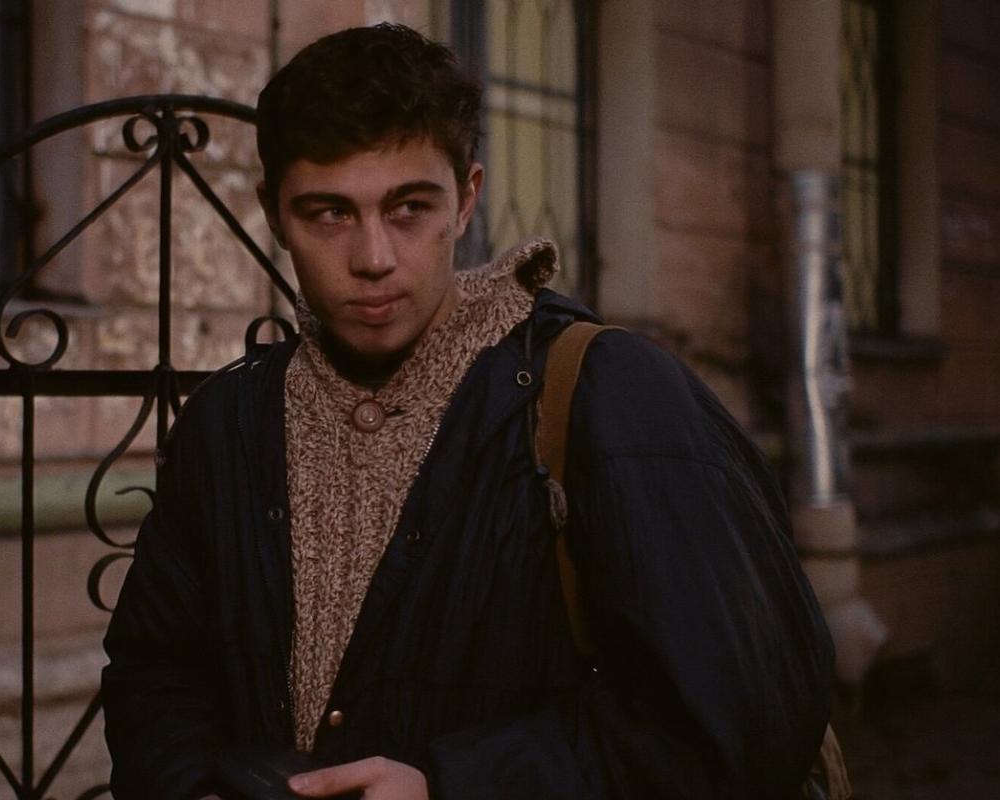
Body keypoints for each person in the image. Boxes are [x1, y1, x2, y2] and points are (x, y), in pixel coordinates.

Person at [101, 22, 834, 799]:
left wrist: (453, 787)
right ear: (274, 216)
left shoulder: (609, 394)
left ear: (467, 199)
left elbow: (740, 714)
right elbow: (155, 674)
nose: (374, 257)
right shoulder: (228, 422)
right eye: (329, 213)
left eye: (409, 207)